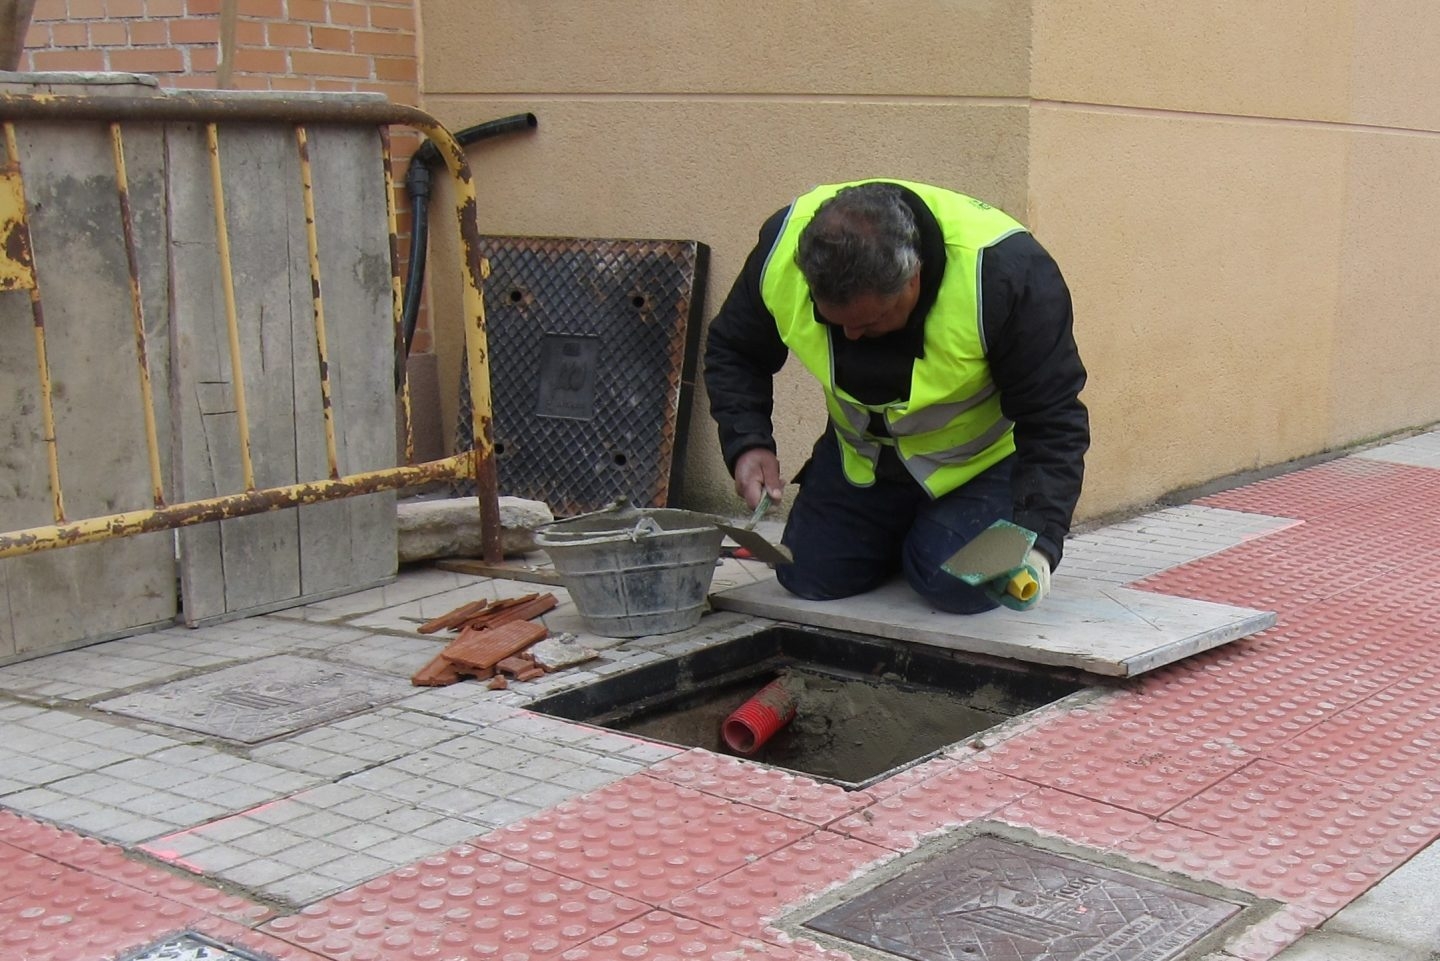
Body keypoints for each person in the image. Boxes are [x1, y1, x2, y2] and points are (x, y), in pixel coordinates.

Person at [703, 178, 1088, 613]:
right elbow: (733, 349)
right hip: (862, 460)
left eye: (869, 323)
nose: (850, 335)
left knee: (959, 586)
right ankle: (917, 536)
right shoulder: (781, 251)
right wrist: (747, 441)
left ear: (914, 278)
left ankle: (939, 540)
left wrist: (1038, 541)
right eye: (835, 322)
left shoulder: (1004, 273)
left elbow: (1054, 421)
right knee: (804, 573)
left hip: (978, 467)